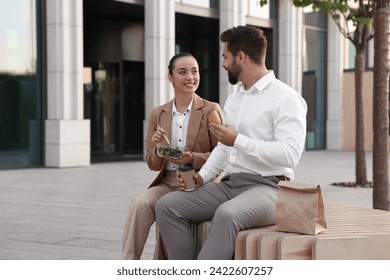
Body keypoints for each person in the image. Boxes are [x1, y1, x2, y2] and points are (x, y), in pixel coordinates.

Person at [155, 26, 308, 260]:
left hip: (269, 188)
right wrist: (202, 177)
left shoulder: (286, 98)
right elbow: (225, 147)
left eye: (225, 56)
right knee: (167, 206)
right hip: (229, 185)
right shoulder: (235, 98)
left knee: (226, 215)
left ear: (241, 57)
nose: (223, 63)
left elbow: (289, 155)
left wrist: (238, 140)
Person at [121, 53, 221, 260]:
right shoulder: (159, 113)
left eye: (194, 71)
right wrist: (160, 148)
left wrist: (191, 157)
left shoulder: (211, 109)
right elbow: (153, 164)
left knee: (166, 208)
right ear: (170, 77)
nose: (190, 77)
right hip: (166, 182)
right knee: (140, 204)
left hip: (197, 183)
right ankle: (127, 262)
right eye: (182, 72)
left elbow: (221, 155)